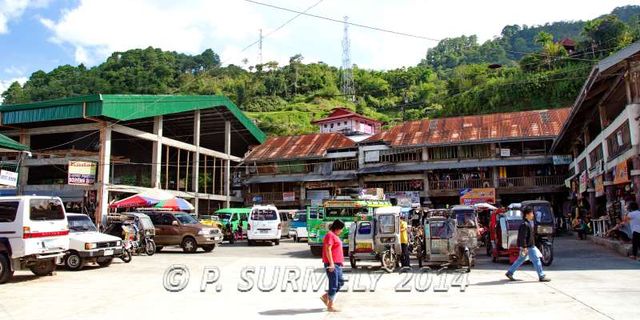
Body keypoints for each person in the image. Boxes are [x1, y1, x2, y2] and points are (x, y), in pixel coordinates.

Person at [505, 207, 550, 282]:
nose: (533, 215)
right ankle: (541, 276)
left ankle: (510, 272)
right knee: (536, 260)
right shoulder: (525, 225)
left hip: (528, 246)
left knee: (520, 260)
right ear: (526, 215)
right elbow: (523, 237)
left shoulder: (527, 223)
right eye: (531, 213)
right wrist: (525, 247)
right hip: (528, 247)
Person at [320, 219, 345, 312]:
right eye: (341, 229)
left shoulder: (334, 235)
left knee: (341, 282)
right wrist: (331, 263)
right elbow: (328, 249)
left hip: (337, 264)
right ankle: (330, 305)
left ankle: (326, 296)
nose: (341, 231)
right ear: (337, 228)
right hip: (332, 264)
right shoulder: (330, 235)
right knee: (333, 284)